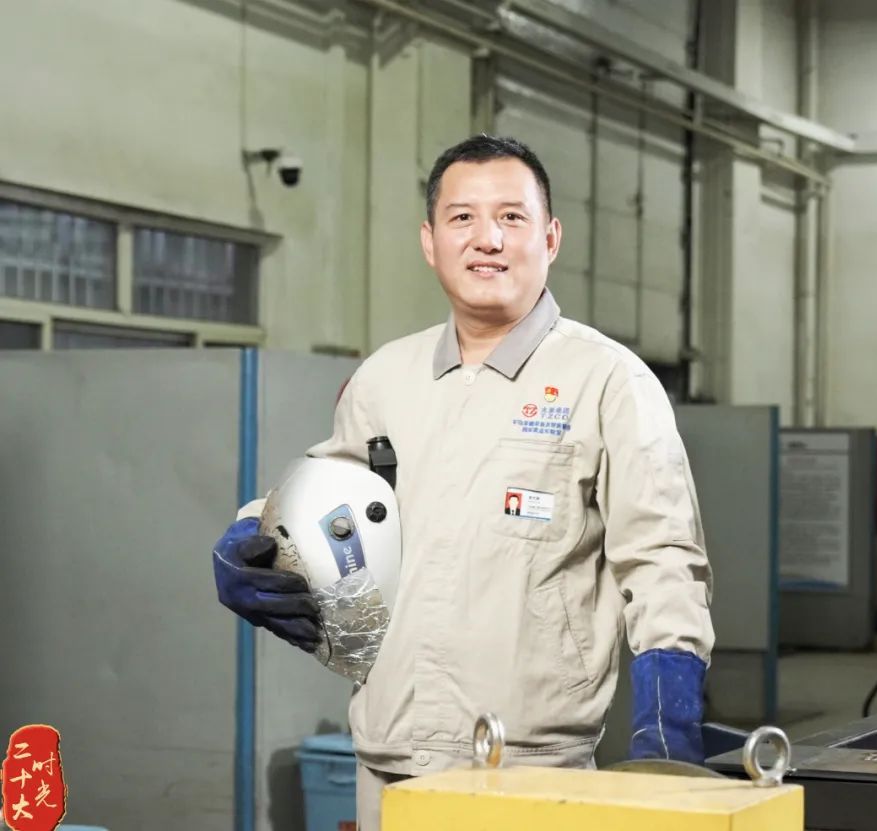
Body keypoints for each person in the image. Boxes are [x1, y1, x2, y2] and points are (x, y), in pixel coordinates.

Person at [213, 135, 715, 830]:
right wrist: (251, 533)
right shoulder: (386, 377)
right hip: (389, 760)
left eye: (511, 217)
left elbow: (662, 559)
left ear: (550, 237)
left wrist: (668, 722)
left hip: (530, 773)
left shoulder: (607, 381)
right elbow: (327, 496)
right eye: (462, 218)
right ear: (430, 241)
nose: (488, 239)